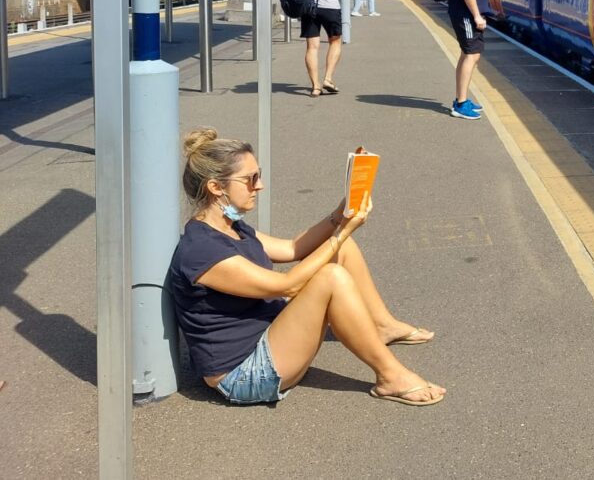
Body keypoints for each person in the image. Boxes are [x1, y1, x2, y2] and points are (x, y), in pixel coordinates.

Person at [168, 128, 444, 406]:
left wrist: (338, 216)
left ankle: (383, 326)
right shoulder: (202, 250)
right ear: (216, 187)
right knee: (331, 275)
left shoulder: (231, 227)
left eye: (258, 175)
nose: (259, 185)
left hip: (268, 339)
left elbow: (292, 249)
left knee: (340, 250)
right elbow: (289, 285)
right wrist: (342, 232)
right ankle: (391, 376)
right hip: (244, 375)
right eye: (251, 179)